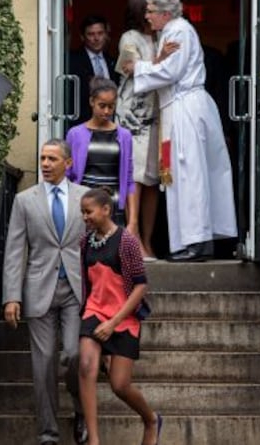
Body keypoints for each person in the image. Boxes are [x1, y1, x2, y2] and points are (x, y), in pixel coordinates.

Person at [122, 0, 237, 262]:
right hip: (181, 106)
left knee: (188, 173)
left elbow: (169, 72)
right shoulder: (173, 31)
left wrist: (137, 69)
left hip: (184, 108)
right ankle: (191, 240)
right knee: (183, 173)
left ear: (164, 13)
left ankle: (195, 241)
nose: (146, 16)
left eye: (150, 11)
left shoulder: (178, 31)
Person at [2, 139, 89, 445]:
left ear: (68, 164)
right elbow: (14, 251)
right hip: (39, 290)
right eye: (42, 158)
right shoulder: (25, 200)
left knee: (74, 354)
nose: (46, 164)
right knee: (44, 362)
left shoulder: (83, 198)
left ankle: (81, 409)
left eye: (53, 159)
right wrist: (11, 296)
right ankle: (48, 433)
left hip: (76, 290)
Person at [79, 186, 162, 445]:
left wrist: (114, 322)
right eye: (82, 212)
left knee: (119, 386)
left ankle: (150, 419)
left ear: (106, 210)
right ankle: (94, 440)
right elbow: (87, 283)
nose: (85, 217)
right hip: (94, 310)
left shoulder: (127, 241)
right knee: (85, 366)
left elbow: (140, 285)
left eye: (89, 212)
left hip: (123, 317)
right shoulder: (85, 242)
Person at [115, 0, 160, 261]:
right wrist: (162, 60)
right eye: (151, 7)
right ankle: (133, 237)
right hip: (135, 115)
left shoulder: (160, 37)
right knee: (136, 175)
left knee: (154, 178)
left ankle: (149, 241)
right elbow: (129, 67)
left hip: (157, 114)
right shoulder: (129, 38)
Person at [66, 76, 137, 237]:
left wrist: (133, 222)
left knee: (113, 258)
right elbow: (68, 175)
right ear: (92, 102)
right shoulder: (75, 134)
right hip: (84, 209)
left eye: (111, 107)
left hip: (112, 209)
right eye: (102, 106)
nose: (106, 111)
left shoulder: (124, 136)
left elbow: (129, 180)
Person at [69, 14, 118, 125]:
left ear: (106, 35)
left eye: (100, 33)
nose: (96, 38)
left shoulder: (112, 62)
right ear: (82, 36)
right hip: (82, 123)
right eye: (91, 34)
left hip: (109, 123)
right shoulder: (72, 60)